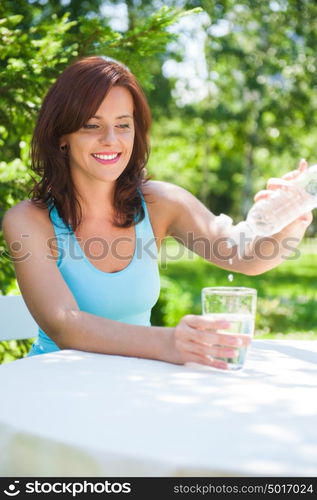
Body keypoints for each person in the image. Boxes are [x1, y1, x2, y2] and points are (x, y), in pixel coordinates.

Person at [2, 56, 312, 370]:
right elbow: (65, 325)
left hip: (140, 386)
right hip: (52, 387)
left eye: (123, 125)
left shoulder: (159, 203)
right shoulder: (29, 221)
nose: (111, 139)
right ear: (61, 137)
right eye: (92, 125)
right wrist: (169, 342)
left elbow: (241, 254)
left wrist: (290, 219)